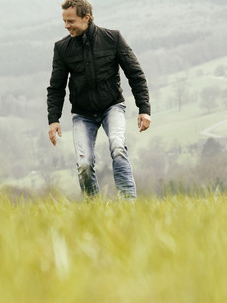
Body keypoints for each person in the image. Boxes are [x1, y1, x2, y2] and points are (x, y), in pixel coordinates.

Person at [47, 0, 151, 199]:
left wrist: (144, 109)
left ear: (86, 18)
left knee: (118, 147)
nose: (66, 25)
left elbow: (135, 74)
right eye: (64, 21)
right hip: (82, 114)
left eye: (71, 21)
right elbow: (56, 87)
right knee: (84, 164)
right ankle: (93, 210)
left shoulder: (113, 38)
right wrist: (53, 120)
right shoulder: (62, 48)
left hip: (112, 107)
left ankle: (128, 204)